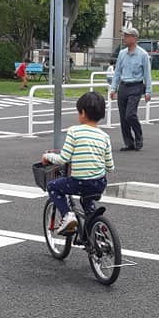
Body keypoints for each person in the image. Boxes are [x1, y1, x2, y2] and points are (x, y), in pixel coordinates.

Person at [39, 92, 114, 234]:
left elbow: (63, 159)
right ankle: (94, 228)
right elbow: (110, 167)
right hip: (99, 184)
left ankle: (68, 216)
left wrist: (48, 156)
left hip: (79, 182)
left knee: (53, 186)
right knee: (87, 198)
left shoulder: (74, 131)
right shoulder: (105, 136)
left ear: (83, 113)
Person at [109, 27, 151, 151]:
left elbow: (147, 74)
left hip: (136, 86)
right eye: (124, 35)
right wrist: (113, 88)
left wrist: (148, 91)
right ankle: (129, 142)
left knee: (130, 114)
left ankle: (139, 137)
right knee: (123, 116)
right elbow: (117, 73)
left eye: (127, 36)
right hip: (123, 86)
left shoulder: (143, 55)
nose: (124, 38)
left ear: (134, 38)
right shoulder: (122, 54)